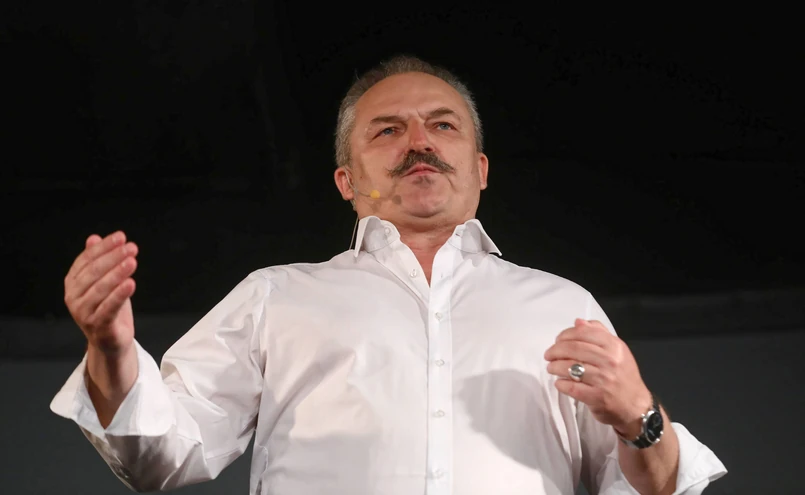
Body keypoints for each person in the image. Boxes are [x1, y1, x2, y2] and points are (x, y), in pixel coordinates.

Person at [52, 55, 727, 494]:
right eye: (387, 131)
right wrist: (109, 349)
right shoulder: (276, 296)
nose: (419, 142)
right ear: (347, 182)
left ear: (481, 170)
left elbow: (656, 486)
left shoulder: (560, 304)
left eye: (442, 125)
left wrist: (639, 416)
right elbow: (160, 456)